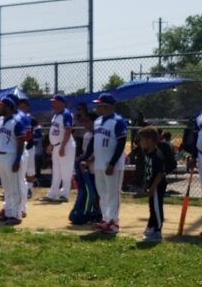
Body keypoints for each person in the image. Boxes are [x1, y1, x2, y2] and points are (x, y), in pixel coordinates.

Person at [79, 93, 128, 234]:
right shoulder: (98, 121)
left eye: (99, 105)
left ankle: (113, 223)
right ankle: (106, 219)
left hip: (112, 164)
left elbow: (121, 143)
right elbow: (94, 141)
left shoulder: (118, 121)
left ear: (107, 106)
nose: (97, 107)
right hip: (99, 163)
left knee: (113, 193)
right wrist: (86, 157)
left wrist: (112, 163)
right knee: (102, 192)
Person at [0, 98, 26, 225]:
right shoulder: (0, 122)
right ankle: (8, 212)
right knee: (6, 187)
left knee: (15, 187)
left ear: (7, 107)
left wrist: (18, 159)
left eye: (1, 105)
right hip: (1, 156)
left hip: (12, 156)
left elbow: (21, 141)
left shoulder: (16, 121)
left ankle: (17, 214)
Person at [45, 95, 76, 202]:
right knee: (56, 171)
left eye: (55, 102)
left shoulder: (66, 114)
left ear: (62, 103)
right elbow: (54, 132)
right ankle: (52, 194)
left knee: (66, 170)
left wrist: (62, 146)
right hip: (57, 146)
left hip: (65, 145)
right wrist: (51, 144)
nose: (53, 104)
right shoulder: (55, 116)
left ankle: (64, 194)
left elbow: (68, 130)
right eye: (53, 102)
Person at [139, 126, 167, 242]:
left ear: (149, 141)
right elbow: (148, 170)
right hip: (152, 185)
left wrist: (153, 187)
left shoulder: (157, 155)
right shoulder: (147, 152)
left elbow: (160, 173)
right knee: (152, 207)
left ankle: (158, 230)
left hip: (158, 185)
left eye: (142, 140)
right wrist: (147, 185)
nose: (140, 142)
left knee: (156, 207)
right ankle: (151, 226)